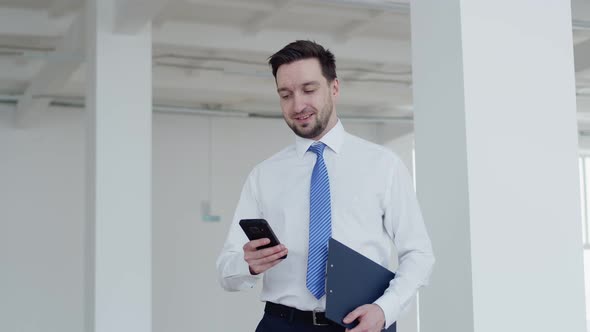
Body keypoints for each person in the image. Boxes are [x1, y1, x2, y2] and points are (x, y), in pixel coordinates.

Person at [216, 40, 434, 332]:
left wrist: (386, 309)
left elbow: (419, 254)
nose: (297, 105)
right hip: (283, 325)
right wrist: (249, 264)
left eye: (308, 90)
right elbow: (226, 270)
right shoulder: (263, 175)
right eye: (285, 95)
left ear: (334, 88)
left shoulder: (384, 165)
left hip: (362, 323)